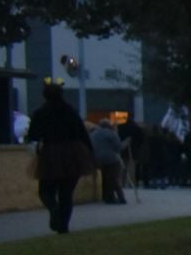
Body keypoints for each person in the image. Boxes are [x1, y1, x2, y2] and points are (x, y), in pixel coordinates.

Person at [23, 80, 93, 234]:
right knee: (66, 193)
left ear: (45, 95)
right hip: (74, 153)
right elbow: (82, 133)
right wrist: (90, 154)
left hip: (51, 153)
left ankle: (54, 210)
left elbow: (33, 136)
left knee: (45, 190)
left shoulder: (40, 113)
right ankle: (63, 226)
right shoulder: (70, 111)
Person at [89, 116, 126, 203]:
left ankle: (107, 196)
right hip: (111, 159)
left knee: (105, 178)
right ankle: (121, 197)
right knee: (114, 178)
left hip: (97, 159)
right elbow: (118, 147)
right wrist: (126, 143)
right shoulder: (111, 133)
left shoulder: (93, 134)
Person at [117, 111, 146, 192]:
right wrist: (137, 145)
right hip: (133, 150)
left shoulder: (120, 126)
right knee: (131, 167)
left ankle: (121, 183)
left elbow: (117, 136)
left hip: (122, 149)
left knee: (122, 167)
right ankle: (131, 183)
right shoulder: (136, 127)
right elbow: (141, 138)